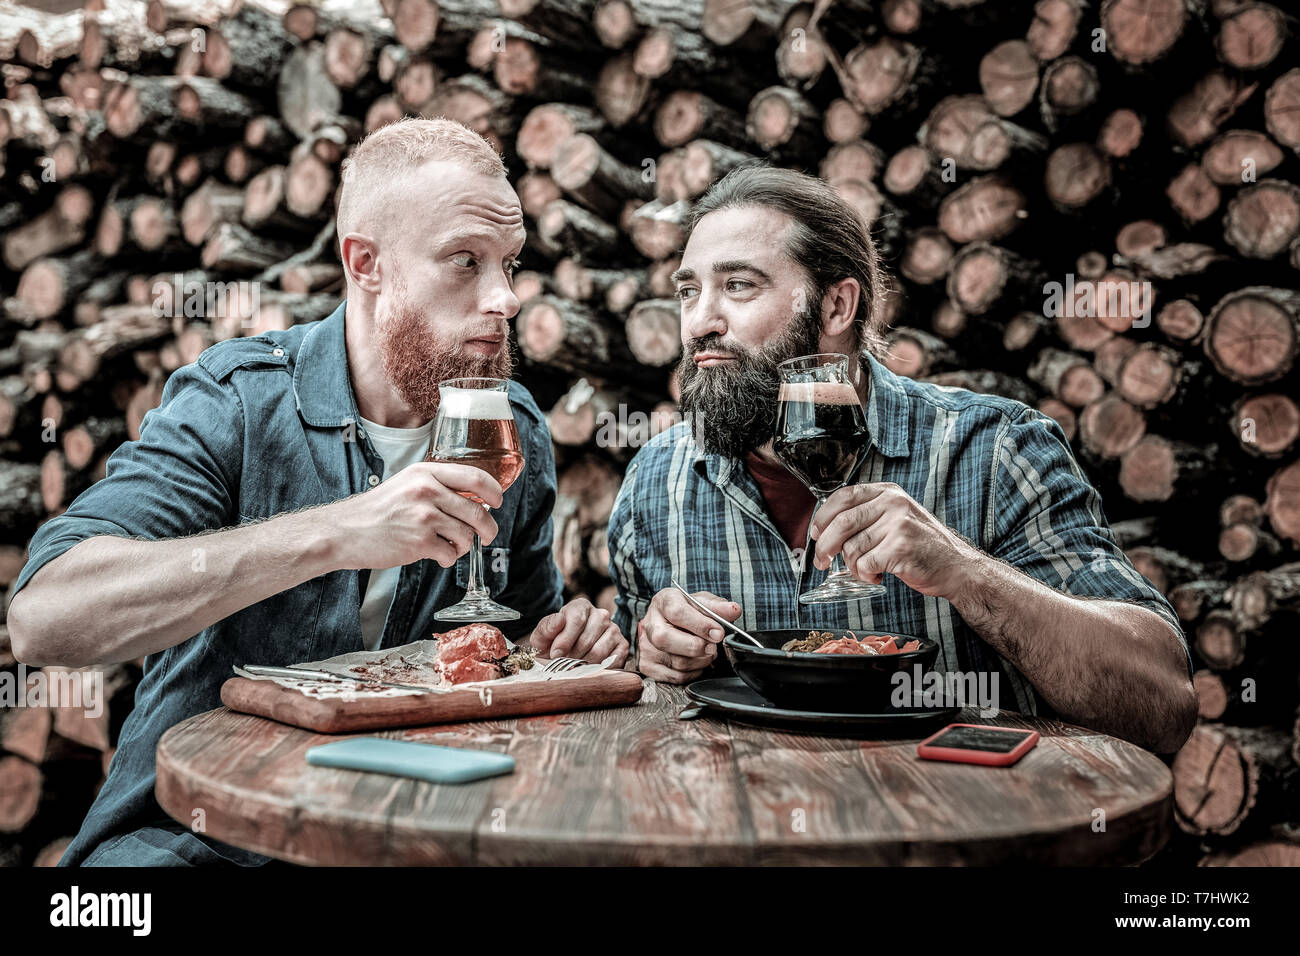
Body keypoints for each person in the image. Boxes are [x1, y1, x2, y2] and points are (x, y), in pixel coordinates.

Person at [7, 118, 628, 866]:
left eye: (509, 263)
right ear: (365, 264)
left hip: (408, 838)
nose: (505, 297)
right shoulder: (238, 401)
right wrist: (336, 532)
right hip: (198, 842)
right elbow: (45, 618)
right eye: (465, 262)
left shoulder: (510, 423)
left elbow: (513, 641)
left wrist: (557, 643)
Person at [608, 164, 1196, 754]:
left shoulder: (994, 450)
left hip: (956, 832)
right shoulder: (658, 479)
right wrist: (655, 651)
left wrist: (966, 573)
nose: (700, 322)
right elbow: (640, 704)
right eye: (688, 291)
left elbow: (1163, 706)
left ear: (837, 307)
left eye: (738, 286)